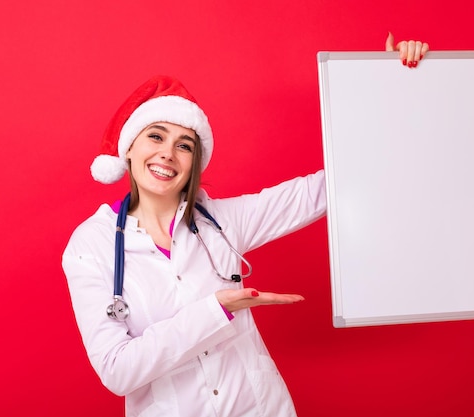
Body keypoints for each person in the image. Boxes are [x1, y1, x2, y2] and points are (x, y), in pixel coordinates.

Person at [62, 34, 429, 417]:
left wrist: (390, 90)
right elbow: (118, 371)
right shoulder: (92, 245)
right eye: (156, 136)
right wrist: (216, 309)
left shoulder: (221, 221)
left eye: (185, 145)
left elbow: (328, 187)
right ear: (130, 148)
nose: (167, 154)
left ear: (194, 163)